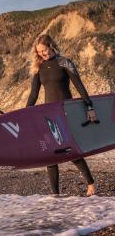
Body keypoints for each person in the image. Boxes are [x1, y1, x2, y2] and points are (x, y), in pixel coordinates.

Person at [26, 34, 97, 196]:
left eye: (44, 50)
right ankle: (55, 194)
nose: (43, 54)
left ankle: (91, 183)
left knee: (69, 150)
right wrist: (25, 113)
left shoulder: (65, 62)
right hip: (48, 115)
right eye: (39, 52)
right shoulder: (38, 68)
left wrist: (90, 107)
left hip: (66, 112)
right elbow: (33, 95)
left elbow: (79, 85)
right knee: (51, 155)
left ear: (51, 45)